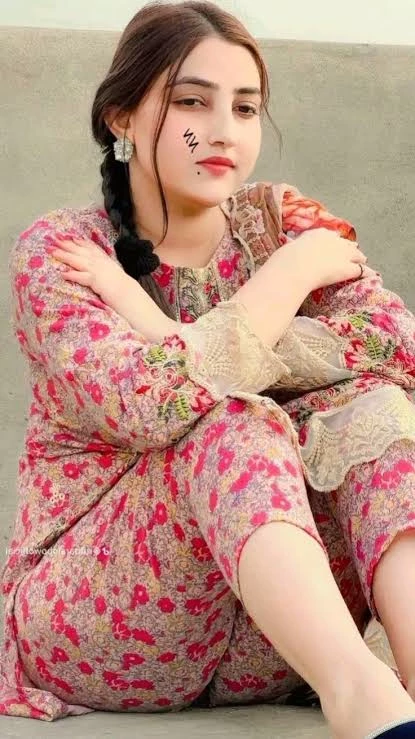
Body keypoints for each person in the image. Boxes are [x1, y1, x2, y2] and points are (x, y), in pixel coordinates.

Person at [2, 1, 415, 737]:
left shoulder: (282, 224)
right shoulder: (64, 252)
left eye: (245, 108)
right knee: (231, 418)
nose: (224, 130)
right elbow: (147, 404)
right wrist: (286, 279)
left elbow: (397, 347)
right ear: (122, 117)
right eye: (193, 102)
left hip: (275, 636)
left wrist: (169, 331)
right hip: (103, 617)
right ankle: (365, 700)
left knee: (373, 408)